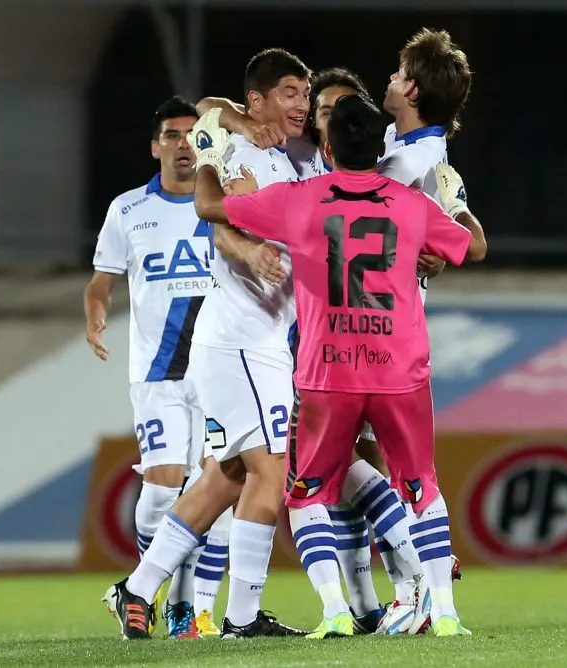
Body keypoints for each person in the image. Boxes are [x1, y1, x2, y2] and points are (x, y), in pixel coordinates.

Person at [201, 29, 475, 633]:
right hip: (399, 355)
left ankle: (344, 609)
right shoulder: (407, 178)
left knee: (312, 490)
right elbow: (468, 246)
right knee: (414, 482)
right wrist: (451, 216)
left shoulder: (307, 193)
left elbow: (211, 209)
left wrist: (209, 156)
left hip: (328, 362)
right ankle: (433, 606)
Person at [101, 49, 311, 640]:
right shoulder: (237, 149)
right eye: (291, 92)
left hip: (263, 339)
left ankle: (136, 588)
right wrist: (247, 248)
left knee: (227, 478)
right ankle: (243, 616)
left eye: (305, 93)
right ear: (259, 101)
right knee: (271, 474)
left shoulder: (293, 162)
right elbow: (210, 141)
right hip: (239, 341)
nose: (300, 103)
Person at [85, 97, 230, 639]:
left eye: (194, 134)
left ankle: (184, 610)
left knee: (219, 495)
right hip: (158, 373)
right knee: (164, 490)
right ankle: (150, 591)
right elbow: (102, 278)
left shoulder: (223, 201)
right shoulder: (127, 210)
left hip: (219, 371)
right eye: (172, 135)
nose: (185, 144)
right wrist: (96, 316)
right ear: (155, 146)